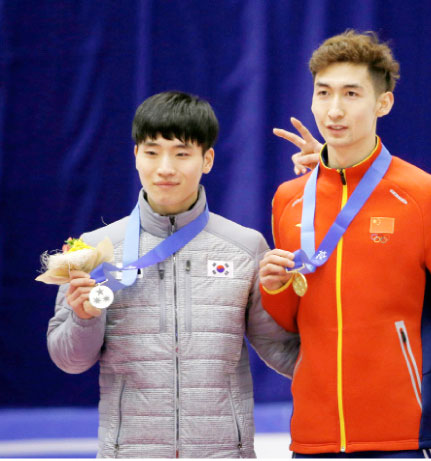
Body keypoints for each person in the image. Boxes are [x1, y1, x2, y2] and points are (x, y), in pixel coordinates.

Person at [47, 91, 299, 458]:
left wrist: (357, 365)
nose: (165, 167)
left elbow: (280, 349)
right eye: (152, 152)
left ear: (207, 159)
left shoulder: (244, 247)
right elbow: (68, 359)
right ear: (136, 156)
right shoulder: (93, 248)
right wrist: (84, 319)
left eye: (182, 153)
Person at [259, 30, 431, 458]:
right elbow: (292, 320)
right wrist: (274, 285)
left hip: (406, 436)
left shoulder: (425, 195)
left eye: (352, 93)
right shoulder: (289, 199)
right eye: (323, 93)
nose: (334, 110)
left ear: (382, 103)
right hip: (314, 438)